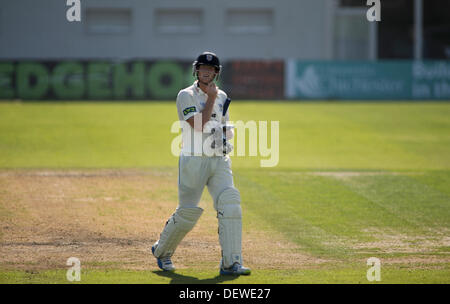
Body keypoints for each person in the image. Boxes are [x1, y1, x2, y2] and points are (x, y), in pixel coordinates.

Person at [151, 51, 251, 276]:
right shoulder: (185, 95)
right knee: (187, 212)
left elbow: (220, 123)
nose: (206, 73)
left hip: (218, 159)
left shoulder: (223, 96)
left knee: (230, 202)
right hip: (193, 159)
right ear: (196, 70)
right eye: (202, 69)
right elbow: (197, 124)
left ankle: (231, 262)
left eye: (211, 69)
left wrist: (224, 136)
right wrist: (212, 98)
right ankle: (162, 251)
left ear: (216, 72)